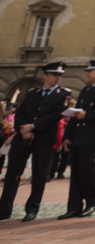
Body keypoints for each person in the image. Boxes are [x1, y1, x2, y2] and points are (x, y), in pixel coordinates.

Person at [0, 62, 70, 222]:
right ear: (45, 75)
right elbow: (20, 112)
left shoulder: (64, 94)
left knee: (39, 176)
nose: (57, 78)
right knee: (12, 174)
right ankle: (4, 209)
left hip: (43, 139)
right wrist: (22, 129)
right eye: (54, 74)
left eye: (60, 75)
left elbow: (57, 114)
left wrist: (33, 127)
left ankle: (32, 209)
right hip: (22, 138)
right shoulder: (33, 93)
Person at [57, 60, 95, 219]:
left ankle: (92, 201)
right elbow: (75, 114)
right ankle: (74, 206)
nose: (87, 74)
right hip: (79, 134)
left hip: (93, 134)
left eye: (90, 71)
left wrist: (88, 115)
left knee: (87, 168)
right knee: (76, 170)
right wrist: (67, 136)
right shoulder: (86, 90)